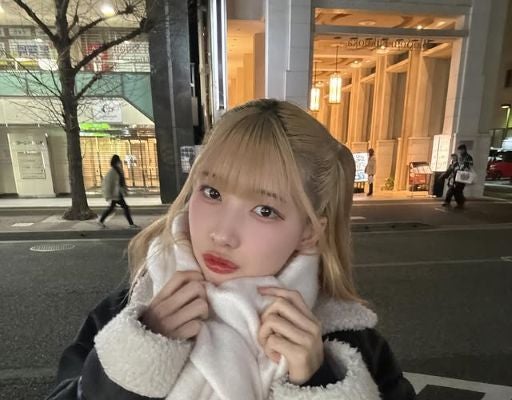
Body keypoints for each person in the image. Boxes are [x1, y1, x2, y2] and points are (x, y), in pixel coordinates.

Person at [47, 100, 415, 400]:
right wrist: (135, 357)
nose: (222, 234)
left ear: (309, 232)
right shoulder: (132, 310)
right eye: (212, 193)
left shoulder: (348, 342)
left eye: (265, 210)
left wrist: (320, 381)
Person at [98, 154, 138, 228]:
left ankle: (101, 221)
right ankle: (131, 224)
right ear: (116, 161)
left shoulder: (118, 170)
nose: (120, 161)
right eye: (118, 160)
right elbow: (108, 183)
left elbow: (121, 182)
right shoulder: (112, 171)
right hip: (115, 194)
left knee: (112, 208)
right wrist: (108, 195)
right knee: (125, 208)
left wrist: (124, 190)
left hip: (117, 193)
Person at [451, 144, 474, 209]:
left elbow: (470, 165)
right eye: (459, 150)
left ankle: (460, 203)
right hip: (458, 174)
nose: (459, 152)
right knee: (457, 190)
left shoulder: (468, 157)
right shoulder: (460, 156)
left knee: (458, 189)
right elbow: (458, 164)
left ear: (464, 150)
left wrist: (464, 167)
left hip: (463, 175)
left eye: (460, 150)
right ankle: (461, 201)